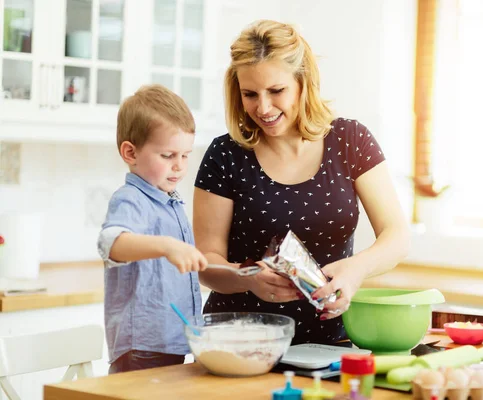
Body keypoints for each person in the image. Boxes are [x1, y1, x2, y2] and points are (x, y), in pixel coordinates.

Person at [193, 20, 410, 346]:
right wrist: (247, 278)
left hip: (330, 344)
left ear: (303, 82)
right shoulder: (225, 155)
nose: (263, 108)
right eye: (250, 94)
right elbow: (206, 263)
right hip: (239, 345)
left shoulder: (351, 140)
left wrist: (356, 270)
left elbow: (397, 235)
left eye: (276, 91)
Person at [97, 84, 208, 373]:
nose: (179, 167)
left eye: (185, 155)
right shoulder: (131, 198)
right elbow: (112, 244)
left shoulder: (169, 202)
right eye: (168, 156)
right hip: (142, 348)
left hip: (169, 342)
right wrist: (168, 246)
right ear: (130, 152)